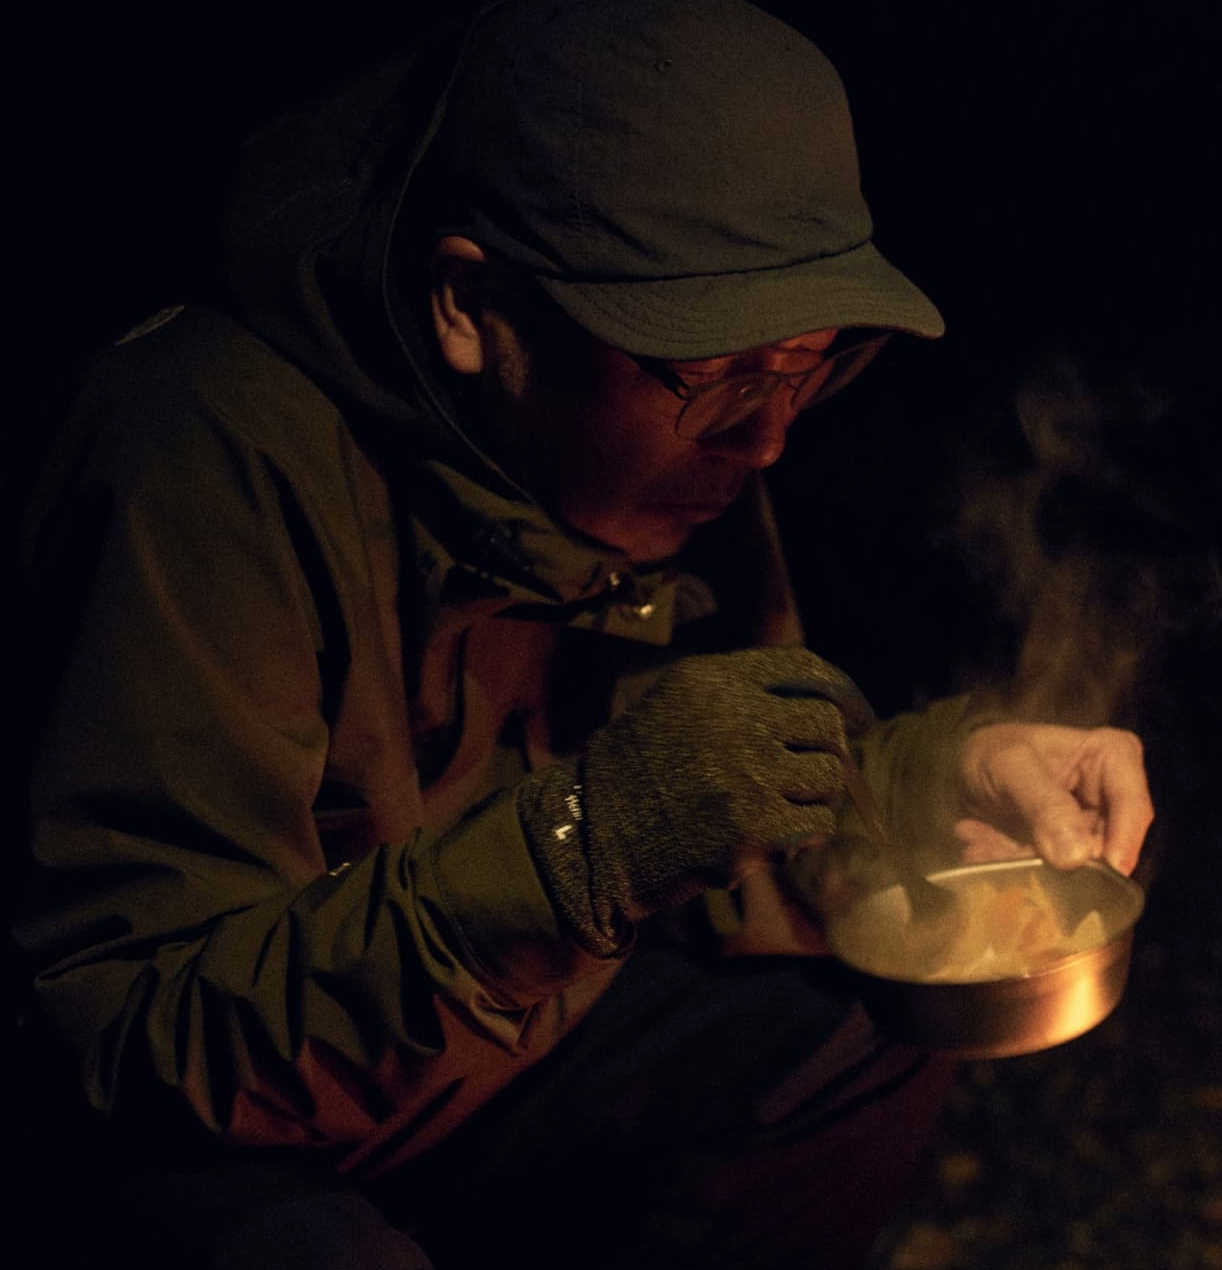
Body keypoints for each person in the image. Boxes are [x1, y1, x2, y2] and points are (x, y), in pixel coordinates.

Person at [12, 2, 1154, 1268]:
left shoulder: (667, 450)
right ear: (471, 303)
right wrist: (577, 852)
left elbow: (708, 802)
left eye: (807, 362)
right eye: (716, 371)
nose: (768, 435)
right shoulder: (204, 456)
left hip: (488, 1047)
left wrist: (942, 783)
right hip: (236, 1123)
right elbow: (121, 1035)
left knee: (850, 1039)